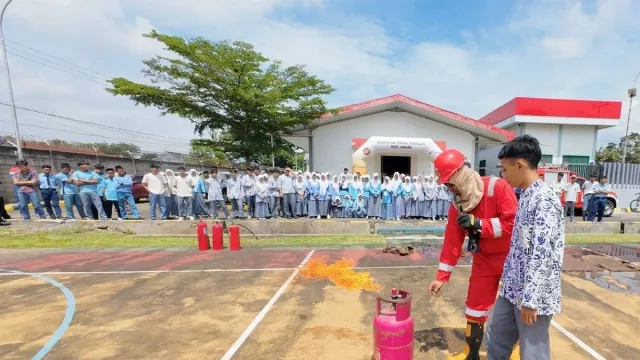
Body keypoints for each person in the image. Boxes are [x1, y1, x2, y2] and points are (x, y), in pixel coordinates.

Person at [427, 148, 517, 360]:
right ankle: (472, 353)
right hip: (484, 259)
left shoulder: (497, 187)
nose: (450, 189)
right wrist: (441, 278)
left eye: (451, 183)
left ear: (461, 175)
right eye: (447, 185)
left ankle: (516, 351)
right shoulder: (457, 206)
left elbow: (513, 224)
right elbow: (452, 242)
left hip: (511, 258)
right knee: (474, 308)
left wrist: (479, 224)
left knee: (516, 307)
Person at [486, 135, 564, 360]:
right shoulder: (526, 196)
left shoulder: (544, 201)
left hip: (533, 296)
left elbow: (542, 255)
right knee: (496, 337)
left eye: (504, 169)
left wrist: (531, 300)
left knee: (532, 353)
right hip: (512, 289)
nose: (503, 175)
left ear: (519, 165)